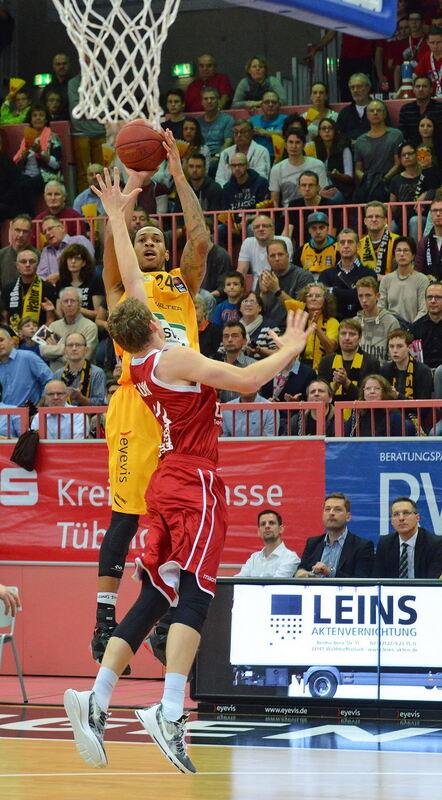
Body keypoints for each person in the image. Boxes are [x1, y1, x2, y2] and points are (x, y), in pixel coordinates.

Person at [63, 166, 313, 773]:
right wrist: (290, 348)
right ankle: (169, 709)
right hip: (195, 480)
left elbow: (127, 276)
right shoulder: (174, 359)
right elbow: (251, 381)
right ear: (152, 322)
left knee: (155, 593)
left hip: (165, 480)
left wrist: (118, 217)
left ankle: (95, 697)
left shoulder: (140, 360)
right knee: (196, 596)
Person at [90, 129, 211, 669]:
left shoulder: (183, 283)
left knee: (178, 517)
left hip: (186, 406)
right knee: (129, 513)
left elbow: (201, 240)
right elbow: (112, 244)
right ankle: (104, 616)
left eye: (156, 241)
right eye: (141, 242)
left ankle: (161, 617)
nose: (150, 245)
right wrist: (130, 193)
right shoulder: (124, 288)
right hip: (137, 405)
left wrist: (179, 175)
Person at [295, 493, 374, 578]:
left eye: (338, 509)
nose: (331, 513)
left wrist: (330, 572)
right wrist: (300, 573)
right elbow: (301, 569)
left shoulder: (362, 546)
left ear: (348, 516)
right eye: (327, 509)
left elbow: (361, 581)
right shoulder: (313, 543)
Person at [373, 497, 442, 578]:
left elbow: (433, 581)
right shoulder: (385, 543)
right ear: (392, 521)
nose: (401, 518)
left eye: (406, 513)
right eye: (396, 514)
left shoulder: (435, 544)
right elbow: (378, 578)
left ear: (417, 518)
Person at [12, 103, 62, 215]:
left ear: (46, 119)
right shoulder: (26, 139)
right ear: (31, 119)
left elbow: (57, 165)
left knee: (25, 187)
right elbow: (18, 163)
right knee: (13, 185)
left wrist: (40, 152)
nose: (38, 118)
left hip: (48, 175)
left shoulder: (53, 137)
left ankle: (30, 219)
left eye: (41, 115)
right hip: (27, 175)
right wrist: (23, 156)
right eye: (35, 115)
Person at [318, 317, 380, 400]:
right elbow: (319, 398)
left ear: (360, 337)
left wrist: (346, 383)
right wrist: (334, 388)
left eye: (352, 334)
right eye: (343, 333)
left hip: (361, 411)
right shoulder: (326, 362)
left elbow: (370, 397)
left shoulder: (371, 362)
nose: (347, 338)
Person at [354, 100, 403, 202]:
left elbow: (398, 163)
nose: (375, 113)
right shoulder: (360, 140)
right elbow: (358, 169)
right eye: (372, 110)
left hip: (389, 183)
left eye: (379, 110)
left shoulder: (396, 135)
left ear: (385, 113)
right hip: (368, 184)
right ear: (367, 115)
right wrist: (367, 179)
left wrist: (384, 180)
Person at [39, 287, 98, 371]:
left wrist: (55, 353)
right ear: (61, 304)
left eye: (73, 301)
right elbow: (43, 351)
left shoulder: (90, 326)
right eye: (65, 301)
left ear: (80, 304)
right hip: (57, 378)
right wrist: (73, 350)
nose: (69, 304)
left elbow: (86, 356)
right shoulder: (53, 326)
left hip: (83, 377)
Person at [258, 238, 311, 331]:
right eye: (272, 256)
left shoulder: (303, 276)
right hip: (268, 331)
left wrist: (277, 291)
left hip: (294, 330)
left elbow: (300, 311)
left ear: (288, 255)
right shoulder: (265, 277)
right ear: (268, 259)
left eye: (280, 254)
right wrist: (264, 294)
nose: (277, 259)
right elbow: (258, 311)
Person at [321, 228, 374, 319]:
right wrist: (352, 294)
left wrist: (332, 291)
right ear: (337, 247)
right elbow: (323, 300)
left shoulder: (369, 273)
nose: (346, 246)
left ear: (358, 246)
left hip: (361, 323)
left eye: (350, 242)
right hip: (333, 323)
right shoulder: (326, 274)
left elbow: (361, 298)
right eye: (342, 242)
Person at [269, 128, 327, 210]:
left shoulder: (318, 165)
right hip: (287, 213)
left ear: (303, 145)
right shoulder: (276, 169)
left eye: (297, 142)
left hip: (315, 212)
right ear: (285, 145)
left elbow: (322, 194)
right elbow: (274, 201)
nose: (294, 146)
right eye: (290, 142)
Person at [389, 142, 439, 235]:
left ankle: (417, 249)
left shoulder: (427, 173)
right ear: (400, 159)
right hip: (402, 217)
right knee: (389, 225)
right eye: (403, 155)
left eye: (410, 153)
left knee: (415, 221)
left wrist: (426, 194)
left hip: (423, 215)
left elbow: (437, 189)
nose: (407, 156)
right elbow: (392, 208)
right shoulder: (395, 179)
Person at [285, 283, 339, 370]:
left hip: (322, 369)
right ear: (304, 300)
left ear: (325, 301)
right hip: (298, 367)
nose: (313, 298)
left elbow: (330, 349)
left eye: (318, 296)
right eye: (309, 295)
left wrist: (316, 328)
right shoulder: (299, 321)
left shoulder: (332, 322)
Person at [68, 73, 106, 193]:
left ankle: (105, 201)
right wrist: (95, 108)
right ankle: (85, 203)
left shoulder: (101, 80)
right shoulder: (73, 83)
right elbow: (76, 108)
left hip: (100, 131)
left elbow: (104, 107)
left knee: (103, 172)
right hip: (80, 132)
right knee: (84, 173)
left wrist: (86, 108)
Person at [344, 373, 416, 436]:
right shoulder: (357, 414)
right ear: (363, 393)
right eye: (368, 389)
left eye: (377, 388)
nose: (372, 392)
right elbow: (347, 440)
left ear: (384, 392)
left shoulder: (394, 416)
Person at [1, 249, 56, 329]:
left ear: (37, 265)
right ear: (17, 266)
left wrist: (37, 339)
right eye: (23, 261)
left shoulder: (48, 288)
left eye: (31, 261)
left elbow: (50, 320)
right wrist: (11, 337)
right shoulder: (8, 289)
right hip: (13, 338)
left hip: (39, 338)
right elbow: (4, 321)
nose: (27, 265)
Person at [379, 236, 429, 323]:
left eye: (406, 250)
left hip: (414, 329)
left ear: (413, 255)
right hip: (390, 329)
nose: (402, 254)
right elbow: (381, 308)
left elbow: (423, 310)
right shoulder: (386, 280)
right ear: (394, 255)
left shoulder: (422, 280)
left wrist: (411, 328)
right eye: (398, 250)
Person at [236, 510, 300, 577]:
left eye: (271, 523)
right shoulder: (254, 558)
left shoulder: (290, 558)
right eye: (263, 524)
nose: (267, 526)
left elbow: (276, 585)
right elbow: (237, 581)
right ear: (259, 532)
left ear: (281, 529)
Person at [304, 118, 354, 203]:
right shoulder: (312, 148)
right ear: (319, 132)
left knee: (333, 198)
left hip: (339, 188)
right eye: (323, 128)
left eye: (330, 128)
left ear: (335, 131)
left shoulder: (344, 149)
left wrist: (338, 175)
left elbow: (349, 177)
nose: (327, 131)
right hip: (317, 188)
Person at [0, 325, 52, 406]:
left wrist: (39, 407)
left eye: (1, 340)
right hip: (4, 416)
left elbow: (49, 381)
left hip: (29, 415)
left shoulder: (28, 357)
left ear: (11, 341)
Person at [237, 214, 293, 288]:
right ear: (253, 230)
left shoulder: (284, 241)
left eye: (265, 226)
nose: (261, 229)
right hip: (257, 292)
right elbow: (241, 271)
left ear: (273, 229)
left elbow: (283, 270)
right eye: (257, 227)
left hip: (280, 287)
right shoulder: (247, 242)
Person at [53, 332, 106, 406]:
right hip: (63, 416)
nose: (74, 348)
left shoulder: (97, 373)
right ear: (65, 350)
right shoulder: (58, 374)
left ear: (86, 350)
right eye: (70, 345)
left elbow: (100, 403)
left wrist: (80, 398)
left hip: (89, 416)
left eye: (78, 345)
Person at [37, 216, 94, 284]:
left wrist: (60, 276)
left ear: (62, 228)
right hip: (53, 290)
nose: (47, 233)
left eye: (50, 228)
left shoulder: (80, 241)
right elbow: (40, 276)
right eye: (44, 232)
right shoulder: (46, 251)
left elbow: (88, 266)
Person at [355, 275, 400, 362]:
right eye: (360, 296)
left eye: (368, 295)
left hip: (382, 373)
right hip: (357, 372)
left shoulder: (391, 322)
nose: (364, 300)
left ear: (377, 296)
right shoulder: (354, 322)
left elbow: (394, 358)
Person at [380, 328, 433, 399]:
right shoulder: (384, 370)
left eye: (400, 346)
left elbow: (423, 407)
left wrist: (398, 396)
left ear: (409, 347)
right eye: (391, 346)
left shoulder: (423, 371)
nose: (395, 350)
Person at [55, 244, 104, 322]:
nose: (73, 261)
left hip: (89, 326)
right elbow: (60, 315)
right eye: (70, 258)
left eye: (77, 258)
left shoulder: (95, 281)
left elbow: (99, 314)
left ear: (84, 263)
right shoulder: (61, 283)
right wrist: (51, 309)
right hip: (67, 326)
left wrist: (77, 309)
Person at [215, 120, 271, 186]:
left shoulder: (261, 151)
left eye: (243, 132)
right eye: (236, 132)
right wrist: (229, 191)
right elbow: (219, 179)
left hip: (253, 192)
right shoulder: (226, 153)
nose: (239, 135)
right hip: (229, 192)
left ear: (252, 133)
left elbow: (262, 178)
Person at [398, 75, 442, 155]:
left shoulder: (440, 108)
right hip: (412, 152)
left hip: (437, 150)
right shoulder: (406, 109)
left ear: (431, 89)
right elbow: (403, 135)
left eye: (424, 86)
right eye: (418, 86)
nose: (421, 89)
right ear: (413, 89)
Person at [288, 175, 336, 246]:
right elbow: (288, 230)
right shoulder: (293, 205)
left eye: (311, 185)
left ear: (318, 187)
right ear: (299, 188)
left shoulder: (330, 205)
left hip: (325, 248)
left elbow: (332, 234)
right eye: (304, 185)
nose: (307, 189)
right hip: (302, 249)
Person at [216, 321, 255, 403]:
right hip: (220, 414)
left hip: (248, 413)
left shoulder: (253, 365)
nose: (229, 340)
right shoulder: (216, 365)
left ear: (244, 341)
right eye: (226, 336)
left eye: (235, 336)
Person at [198, 87, 234, 176]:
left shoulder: (227, 120)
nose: (209, 101)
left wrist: (217, 156)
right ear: (202, 102)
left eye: (212, 98)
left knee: (212, 166)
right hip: (200, 156)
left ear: (218, 100)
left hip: (218, 157)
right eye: (206, 99)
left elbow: (228, 143)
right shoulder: (197, 121)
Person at [358, 201, 399, 275]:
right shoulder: (359, 245)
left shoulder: (397, 241)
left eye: (377, 216)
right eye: (370, 217)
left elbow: (402, 274)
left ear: (385, 220)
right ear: (365, 221)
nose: (374, 219)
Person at [0, 214, 39, 290]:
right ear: (11, 230)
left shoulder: (38, 256)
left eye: (25, 231)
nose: (21, 235)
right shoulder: (1, 255)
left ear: (31, 233)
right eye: (17, 230)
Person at [238, 290, 279, 359]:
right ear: (240, 308)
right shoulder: (233, 327)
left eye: (252, 301)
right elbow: (223, 351)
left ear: (260, 308)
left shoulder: (270, 327)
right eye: (245, 301)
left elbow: (279, 354)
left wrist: (259, 350)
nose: (248, 304)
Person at [295, 212, 338, 277]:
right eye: (314, 228)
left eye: (321, 228)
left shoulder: (338, 249)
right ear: (309, 230)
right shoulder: (301, 250)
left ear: (327, 229)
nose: (318, 232)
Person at [411, 281, 442, 369]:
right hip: (424, 374)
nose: (433, 301)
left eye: (438, 297)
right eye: (429, 297)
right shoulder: (416, 328)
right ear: (425, 300)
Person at [249, 91, 287, 162]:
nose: (270, 105)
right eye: (267, 102)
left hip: (277, 158)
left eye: (274, 102)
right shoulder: (253, 120)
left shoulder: (285, 119)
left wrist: (264, 132)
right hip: (255, 158)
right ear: (261, 105)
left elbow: (284, 134)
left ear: (279, 105)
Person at [336, 73, 374, 141]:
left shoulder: (378, 109)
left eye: (359, 86)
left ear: (368, 88)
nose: (355, 90)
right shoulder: (345, 113)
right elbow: (338, 136)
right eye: (352, 87)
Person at [415, 198, 442, 279]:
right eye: (434, 210)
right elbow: (418, 272)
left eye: (441, 210)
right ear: (430, 214)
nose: (438, 214)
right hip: (430, 289)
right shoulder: (424, 242)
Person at [41, 53, 71, 118]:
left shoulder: (76, 85)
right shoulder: (48, 87)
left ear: (69, 65)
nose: (61, 67)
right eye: (58, 64)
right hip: (53, 123)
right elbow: (42, 107)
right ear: (53, 66)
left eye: (64, 63)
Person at [414, 26, 442, 97]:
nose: (435, 46)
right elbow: (415, 77)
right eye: (432, 43)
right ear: (427, 42)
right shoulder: (426, 56)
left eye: (439, 42)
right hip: (430, 99)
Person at [194, 293, 221, 358]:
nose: (193, 311)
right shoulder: (185, 331)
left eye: (196, 308)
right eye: (190, 308)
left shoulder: (215, 330)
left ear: (204, 311)